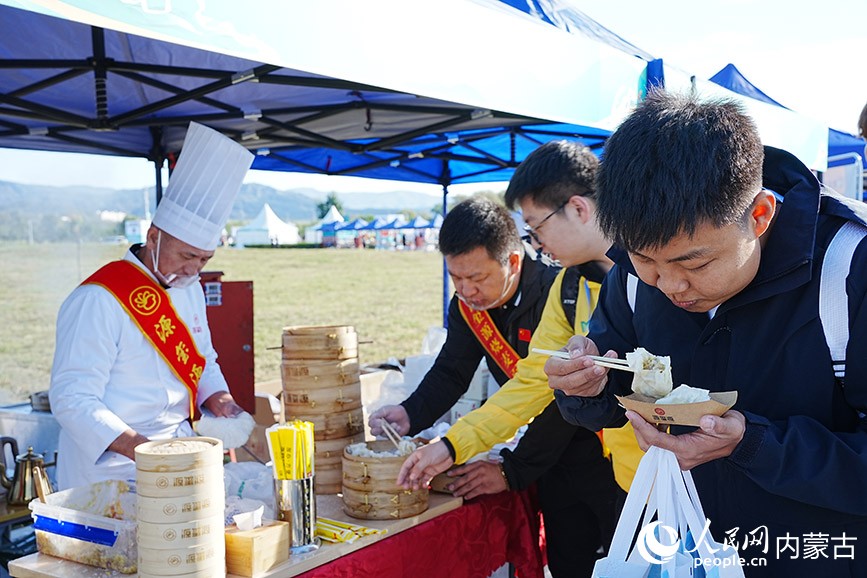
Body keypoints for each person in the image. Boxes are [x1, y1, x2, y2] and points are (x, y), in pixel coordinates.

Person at [545, 91, 867, 577]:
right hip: (679, 551)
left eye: (694, 263)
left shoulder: (848, 270)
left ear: (759, 216)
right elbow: (615, 389)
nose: (669, 286)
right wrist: (585, 386)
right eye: (646, 260)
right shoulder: (633, 277)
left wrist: (753, 443)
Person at [370, 196, 618, 577]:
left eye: (478, 277)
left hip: (603, 452)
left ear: (513, 261)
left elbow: (553, 392)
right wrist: (410, 413)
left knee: (624, 561)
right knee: (570, 562)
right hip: (549, 461)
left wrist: (512, 469)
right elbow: (453, 370)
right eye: (456, 277)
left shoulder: (556, 290)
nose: (466, 290)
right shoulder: (468, 306)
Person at [398, 142, 643, 500]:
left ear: (578, 208)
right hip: (633, 479)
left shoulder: (659, 269)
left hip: (694, 475)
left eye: (536, 227)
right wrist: (452, 445)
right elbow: (532, 380)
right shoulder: (569, 286)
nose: (537, 244)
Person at [50, 122, 254, 489]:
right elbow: (72, 398)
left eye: (204, 259)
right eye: (187, 255)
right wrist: (140, 447)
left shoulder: (189, 286)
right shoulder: (98, 299)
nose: (193, 269)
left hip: (181, 450)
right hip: (110, 468)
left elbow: (201, 359)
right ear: (153, 237)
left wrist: (219, 398)